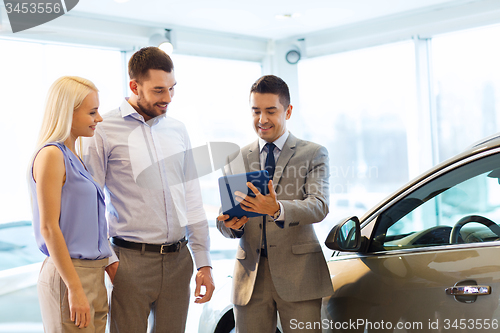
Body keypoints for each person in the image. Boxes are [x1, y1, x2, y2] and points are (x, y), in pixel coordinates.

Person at [82, 46, 214, 333]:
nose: (167, 98)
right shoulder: (103, 129)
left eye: (172, 89)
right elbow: (92, 202)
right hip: (130, 261)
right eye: (158, 90)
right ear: (134, 86)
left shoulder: (178, 129)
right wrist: (112, 262)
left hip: (180, 261)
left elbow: (191, 197)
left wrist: (203, 262)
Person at [217, 75, 333, 333]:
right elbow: (224, 217)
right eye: (256, 111)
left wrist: (277, 209)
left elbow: (319, 205)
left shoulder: (313, 153)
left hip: (299, 276)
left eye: (271, 111)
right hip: (250, 278)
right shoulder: (235, 158)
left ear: (288, 111)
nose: (262, 119)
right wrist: (230, 225)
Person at [29, 76, 112, 332]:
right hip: (70, 276)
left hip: (93, 275)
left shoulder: (76, 156)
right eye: (92, 112)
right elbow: (49, 228)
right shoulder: (52, 155)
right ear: (68, 112)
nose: (99, 119)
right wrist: (75, 289)